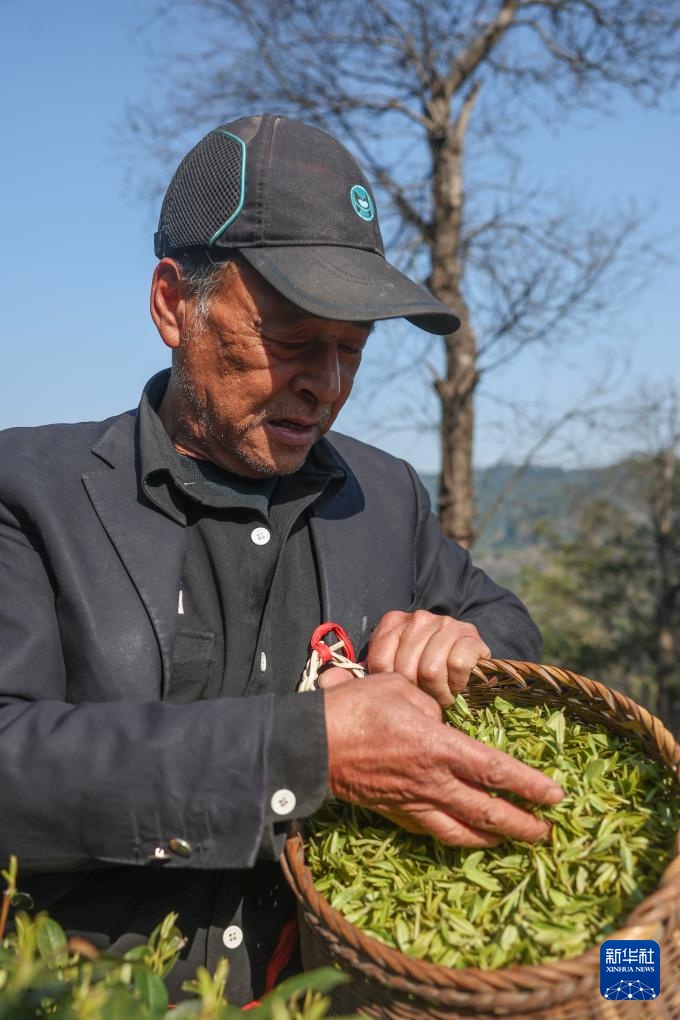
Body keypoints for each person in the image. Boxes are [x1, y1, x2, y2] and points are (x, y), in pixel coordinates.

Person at [0, 114, 562, 1005]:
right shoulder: (28, 492)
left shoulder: (385, 498)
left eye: (353, 351)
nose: (327, 386)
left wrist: (464, 644)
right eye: (294, 339)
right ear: (173, 305)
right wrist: (304, 755)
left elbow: (507, 626)